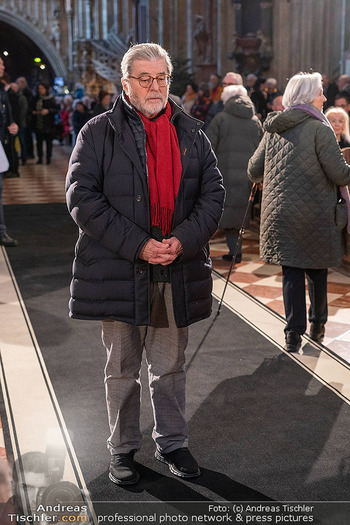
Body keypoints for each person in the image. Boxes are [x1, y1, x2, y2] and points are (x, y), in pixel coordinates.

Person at [66, 43, 225, 485]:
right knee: (122, 369)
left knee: (170, 367)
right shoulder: (97, 132)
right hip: (120, 268)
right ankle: (122, 450)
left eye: (162, 79)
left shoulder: (192, 133)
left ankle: (173, 442)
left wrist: (183, 239)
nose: (155, 87)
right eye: (145, 79)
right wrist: (139, 244)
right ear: (126, 83)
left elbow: (213, 196)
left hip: (175, 266)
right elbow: (82, 199)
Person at [248, 72, 350, 353]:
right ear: (308, 96)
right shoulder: (320, 129)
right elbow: (340, 175)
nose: (325, 97)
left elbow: (253, 170)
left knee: (291, 272)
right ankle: (317, 327)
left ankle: (293, 334)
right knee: (316, 272)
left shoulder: (274, 127)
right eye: (320, 92)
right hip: (315, 215)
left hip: (281, 215)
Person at [206, 84, 262, 262]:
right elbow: (262, 149)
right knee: (239, 214)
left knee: (222, 214)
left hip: (224, 174)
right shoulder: (254, 121)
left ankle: (230, 252)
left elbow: (208, 147)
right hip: (247, 175)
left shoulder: (221, 118)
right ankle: (235, 252)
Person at [0, 57, 18, 246]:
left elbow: (7, 114)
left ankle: (1, 231)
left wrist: (11, 126)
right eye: (0, 64)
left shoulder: (2, 91)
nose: (3, 66)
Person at [32, 82, 58, 165]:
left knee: (48, 142)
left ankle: (48, 158)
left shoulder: (51, 99)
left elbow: (56, 109)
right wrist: (35, 112)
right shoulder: (35, 98)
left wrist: (48, 111)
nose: (40, 90)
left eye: (42, 88)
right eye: (39, 89)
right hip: (39, 124)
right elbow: (30, 108)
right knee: (39, 142)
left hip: (48, 124)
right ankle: (40, 158)